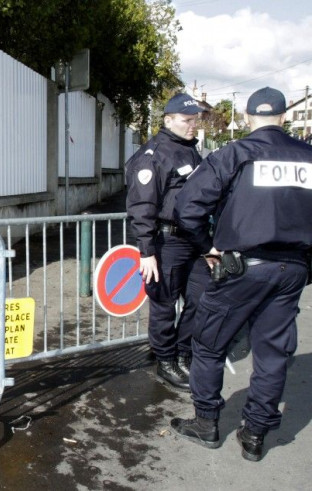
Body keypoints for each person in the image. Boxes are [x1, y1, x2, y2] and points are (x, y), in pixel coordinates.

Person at [170, 86, 312, 461]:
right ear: (283, 118)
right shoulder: (308, 157)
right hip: (292, 268)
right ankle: (255, 435)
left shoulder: (235, 153)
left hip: (241, 266)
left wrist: (208, 247)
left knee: (209, 343)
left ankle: (206, 423)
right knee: (273, 353)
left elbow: (188, 207)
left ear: (248, 119)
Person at [125, 93, 211, 391]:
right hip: (167, 241)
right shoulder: (154, 155)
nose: (192, 126)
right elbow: (142, 206)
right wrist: (146, 251)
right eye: (187, 121)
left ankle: (183, 353)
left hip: (195, 241)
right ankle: (165, 361)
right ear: (168, 120)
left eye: (195, 121)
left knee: (200, 299)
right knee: (164, 303)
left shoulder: (190, 151)